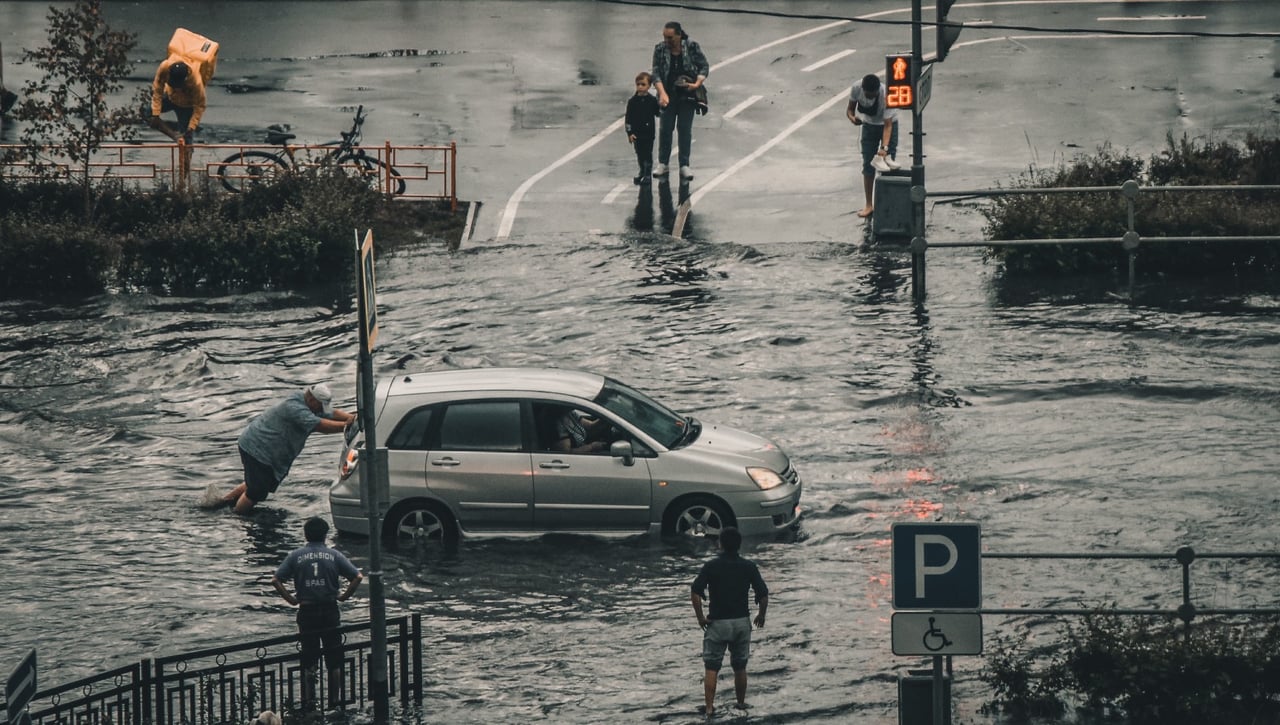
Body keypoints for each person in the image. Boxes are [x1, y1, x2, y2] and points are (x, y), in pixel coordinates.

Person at [219, 384, 355, 514]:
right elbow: (319, 425)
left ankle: (224, 502)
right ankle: (238, 516)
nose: (322, 410)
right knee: (257, 491)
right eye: (321, 406)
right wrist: (347, 426)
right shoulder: (295, 408)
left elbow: (330, 413)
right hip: (257, 448)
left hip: (263, 449)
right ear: (312, 399)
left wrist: (352, 418)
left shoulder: (307, 402)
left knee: (258, 481)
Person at [272, 517, 363, 709]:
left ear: (306, 535)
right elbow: (357, 576)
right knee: (334, 659)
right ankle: (335, 701)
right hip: (330, 609)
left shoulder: (296, 556)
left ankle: (309, 702)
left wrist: (290, 599)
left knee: (309, 658)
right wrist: (344, 596)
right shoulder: (334, 555)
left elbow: (276, 580)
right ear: (325, 535)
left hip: (307, 610)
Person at [690, 527, 769, 719]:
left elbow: (695, 592)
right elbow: (763, 594)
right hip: (741, 622)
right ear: (739, 545)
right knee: (740, 666)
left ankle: (709, 708)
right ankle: (741, 704)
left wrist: (700, 617)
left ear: (720, 544)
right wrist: (761, 615)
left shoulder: (711, 566)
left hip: (718, 623)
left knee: (711, 667)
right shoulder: (749, 566)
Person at [651, 21, 709, 181]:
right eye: (665, 37)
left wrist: (696, 84)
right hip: (668, 93)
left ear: (678, 35)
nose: (667, 41)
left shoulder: (691, 46)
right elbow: (655, 73)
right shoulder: (660, 49)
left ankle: (684, 164)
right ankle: (663, 163)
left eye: (670, 37)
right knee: (665, 129)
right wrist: (662, 93)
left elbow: (704, 66)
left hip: (687, 95)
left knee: (684, 129)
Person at [845, 73, 901, 219]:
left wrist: (885, 148)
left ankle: (886, 204)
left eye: (873, 96)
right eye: (868, 96)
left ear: (878, 91)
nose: (870, 98)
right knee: (868, 164)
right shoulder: (856, 88)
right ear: (863, 90)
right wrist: (853, 119)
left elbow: (888, 126)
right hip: (868, 125)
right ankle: (869, 204)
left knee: (887, 165)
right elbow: (850, 110)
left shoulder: (886, 94)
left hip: (889, 124)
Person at [149, 57, 206, 143]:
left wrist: (191, 127)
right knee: (147, 112)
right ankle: (173, 135)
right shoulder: (164, 67)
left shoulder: (196, 82)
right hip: (170, 96)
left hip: (186, 105)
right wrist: (155, 114)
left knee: (187, 136)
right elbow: (158, 89)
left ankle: (185, 151)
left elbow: (200, 106)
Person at [625, 71, 660, 185]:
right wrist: (630, 133)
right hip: (637, 133)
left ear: (649, 86)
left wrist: (662, 105)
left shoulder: (652, 100)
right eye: (638, 84)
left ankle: (647, 173)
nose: (640, 87)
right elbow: (628, 118)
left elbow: (658, 113)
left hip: (648, 133)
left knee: (647, 153)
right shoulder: (632, 102)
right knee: (639, 153)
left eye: (643, 84)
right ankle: (642, 171)